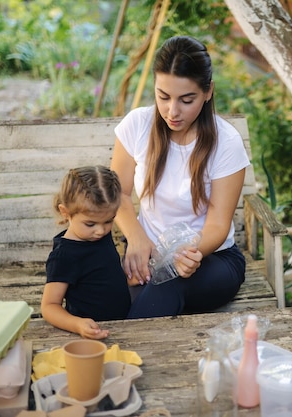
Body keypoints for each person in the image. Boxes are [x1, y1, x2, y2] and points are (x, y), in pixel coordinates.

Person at [110, 35, 250, 318]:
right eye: (163, 97)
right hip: (146, 250)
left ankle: (122, 356)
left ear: (208, 91)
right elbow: (117, 194)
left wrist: (188, 253)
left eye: (187, 100)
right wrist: (137, 240)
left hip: (210, 259)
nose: (172, 112)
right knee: (105, 292)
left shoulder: (226, 142)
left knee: (168, 284)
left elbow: (218, 224)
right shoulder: (137, 125)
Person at [41, 165, 131, 339]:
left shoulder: (97, 233)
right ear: (65, 212)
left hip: (123, 323)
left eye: (108, 221)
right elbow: (49, 306)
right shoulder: (64, 256)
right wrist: (77, 324)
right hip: (92, 331)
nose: (101, 231)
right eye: (90, 224)